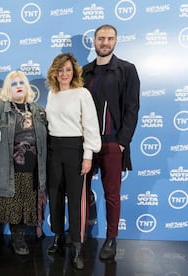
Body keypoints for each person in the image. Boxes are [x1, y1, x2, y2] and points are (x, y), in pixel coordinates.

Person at [0, 70, 47, 261]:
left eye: (21, 82)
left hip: (29, 172)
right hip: (2, 172)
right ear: (7, 88)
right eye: (13, 84)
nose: (18, 86)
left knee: (22, 210)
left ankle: (18, 238)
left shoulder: (37, 111)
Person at [82, 24, 140, 260]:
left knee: (112, 194)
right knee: (80, 191)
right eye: (101, 38)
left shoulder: (127, 70)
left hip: (112, 144)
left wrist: (122, 142)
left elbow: (132, 108)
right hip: (86, 145)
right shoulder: (85, 72)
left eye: (109, 38)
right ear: (94, 41)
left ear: (115, 41)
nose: (105, 42)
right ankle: (80, 233)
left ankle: (111, 239)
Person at [45, 53, 101, 270]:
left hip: (75, 149)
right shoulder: (52, 94)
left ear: (74, 72)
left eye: (68, 69)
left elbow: (91, 126)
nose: (64, 74)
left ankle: (77, 245)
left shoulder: (82, 93)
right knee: (55, 196)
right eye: (60, 70)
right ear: (54, 72)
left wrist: (88, 155)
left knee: (77, 200)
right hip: (53, 149)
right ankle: (59, 237)